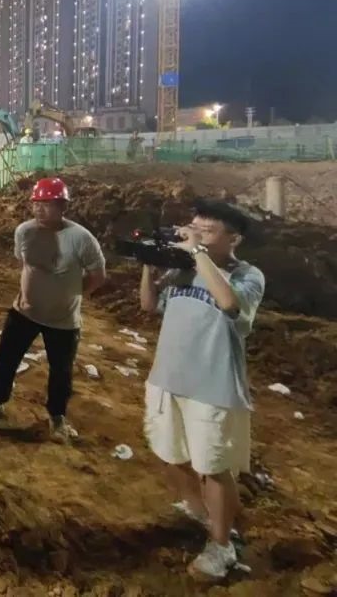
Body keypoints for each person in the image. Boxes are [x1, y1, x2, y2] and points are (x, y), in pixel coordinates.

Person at [140, 201, 265, 581]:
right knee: (172, 455)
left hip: (212, 388)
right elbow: (148, 305)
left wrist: (196, 252)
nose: (195, 235)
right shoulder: (183, 269)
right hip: (167, 379)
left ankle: (221, 545)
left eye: (207, 230)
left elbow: (229, 303)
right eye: (193, 227)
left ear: (234, 238)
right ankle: (200, 513)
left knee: (214, 468)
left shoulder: (248, 275)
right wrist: (149, 265)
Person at [0, 178, 107, 442]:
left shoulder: (81, 238)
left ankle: (57, 417)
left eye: (47, 204)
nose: (39, 209)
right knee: (5, 359)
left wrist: (72, 293)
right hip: (24, 312)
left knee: (61, 372)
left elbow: (98, 275)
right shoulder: (24, 231)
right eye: (36, 203)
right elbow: (23, 263)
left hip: (63, 319)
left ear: (62, 206)